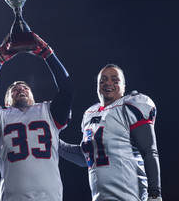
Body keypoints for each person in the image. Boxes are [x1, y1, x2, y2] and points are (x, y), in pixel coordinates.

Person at [0, 33, 74, 201]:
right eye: (14, 89)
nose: (20, 89)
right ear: (6, 101)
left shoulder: (47, 111)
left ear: (33, 95)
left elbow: (67, 89)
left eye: (25, 87)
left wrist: (48, 54)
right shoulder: (1, 117)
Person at [58, 64, 162, 201]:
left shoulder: (130, 106)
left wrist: (154, 193)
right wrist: (55, 141)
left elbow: (149, 151)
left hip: (131, 196)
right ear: (97, 86)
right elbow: (88, 157)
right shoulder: (89, 114)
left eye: (115, 80)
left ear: (124, 87)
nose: (108, 83)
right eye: (103, 80)